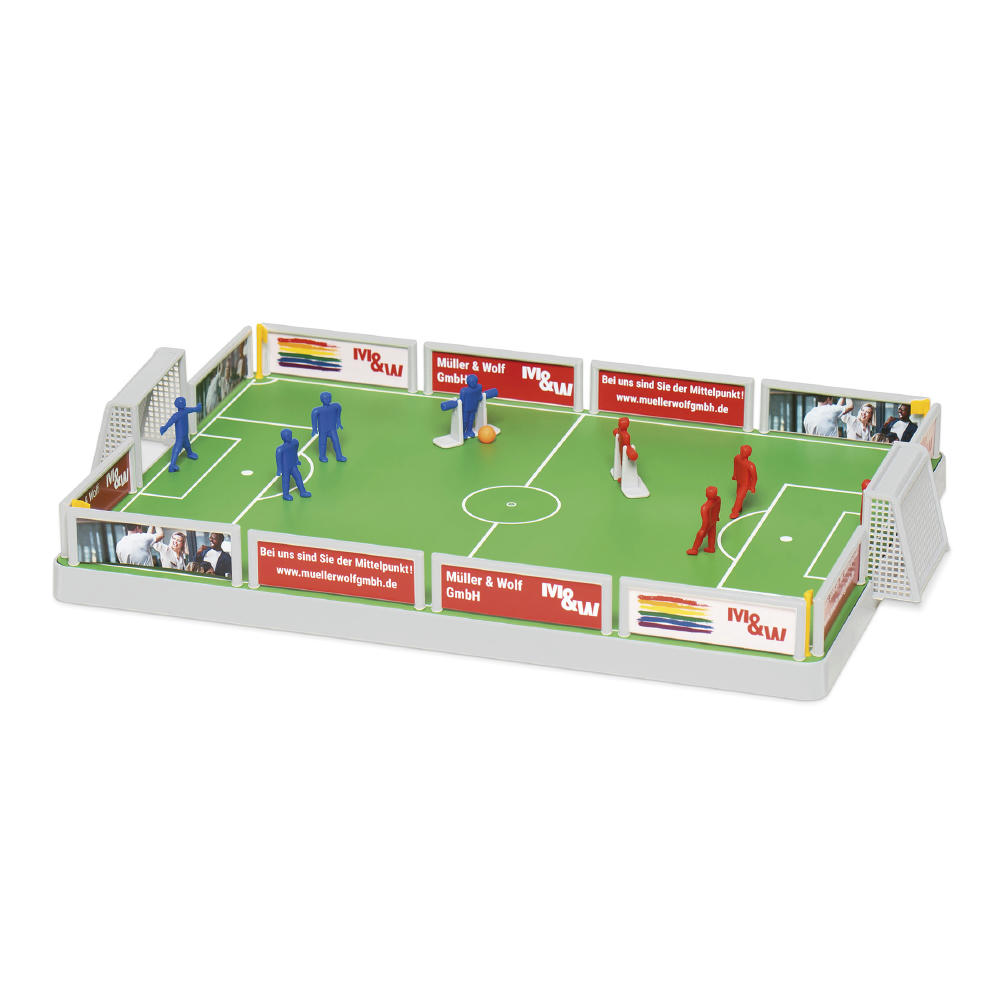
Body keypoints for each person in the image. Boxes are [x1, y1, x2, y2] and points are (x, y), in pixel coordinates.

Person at [159, 396, 203, 472]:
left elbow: (194, 409)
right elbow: (170, 422)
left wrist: (198, 408)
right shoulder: (177, 415)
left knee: (187, 445)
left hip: (185, 434)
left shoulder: (185, 411)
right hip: (180, 436)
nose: (184, 403)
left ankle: (189, 453)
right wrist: (165, 427)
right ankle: (172, 465)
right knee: (177, 449)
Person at [276, 428, 312, 501]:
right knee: (286, 480)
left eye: (290, 435)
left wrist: (296, 459)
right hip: (285, 468)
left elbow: (295, 451)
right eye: (287, 436)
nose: (290, 436)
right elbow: (278, 460)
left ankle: (303, 492)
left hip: (293, 465)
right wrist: (279, 470)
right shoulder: (280, 449)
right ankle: (286, 494)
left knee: (299, 477)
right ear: (283, 437)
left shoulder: (295, 442)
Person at [311, 391, 346, 463]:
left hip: (332, 429)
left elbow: (339, 409)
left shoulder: (335, 406)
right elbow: (313, 416)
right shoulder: (318, 410)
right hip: (323, 430)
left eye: (329, 398)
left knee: (336, 442)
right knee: (322, 443)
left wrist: (338, 422)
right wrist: (314, 429)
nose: (328, 399)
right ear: (322, 399)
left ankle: (339, 456)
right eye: (326, 398)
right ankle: (322, 456)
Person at [687, 486, 721, 555]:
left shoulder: (704, 507)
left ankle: (694, 549)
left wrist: (703, 529)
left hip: (708, 523)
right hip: (714, 520)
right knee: (712, 533)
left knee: (700, 535)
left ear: (706, 495)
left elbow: (705, 520)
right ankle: (711, 548)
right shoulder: (718, 499)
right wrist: (717, 516)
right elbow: (718, 508)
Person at [730, 445, 758, 518]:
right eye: (742, 451)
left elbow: (754, 477)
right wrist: (734, 475)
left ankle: (735, 512)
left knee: (739, 496)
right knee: (738, 494)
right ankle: (739, 507)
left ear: (749, 454)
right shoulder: (737, 458)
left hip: (745, 484)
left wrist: (752, 486)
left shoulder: (750, 465)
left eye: (745, 452)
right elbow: (735, 467)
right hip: (739, 480)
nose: (742, 453)